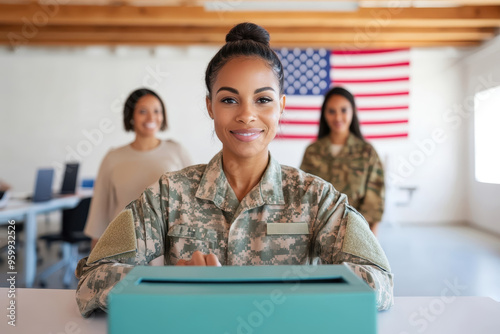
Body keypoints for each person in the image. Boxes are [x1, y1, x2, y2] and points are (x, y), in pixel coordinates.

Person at [75, 23, 393, 317]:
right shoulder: (169, 194)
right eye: (229, 100)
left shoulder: (317, 198)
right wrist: (168, 282)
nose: (247, 115)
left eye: (263, 100)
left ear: (282, 105)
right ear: (210, 105)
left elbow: (378, 281)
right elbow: (92, 278)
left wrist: (298, 287)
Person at [83, 88, 191, 248]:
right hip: (123, 247)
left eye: (156, 111)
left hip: (169, 246)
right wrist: (95, 260)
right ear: (131, 116)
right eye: (142, 111)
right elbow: (99, 208)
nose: (151, 117)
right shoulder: (113, 157)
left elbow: (193, 202)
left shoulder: (176, 151)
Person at [300, 87, 385, 236]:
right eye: (331, 111)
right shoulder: (313, 151)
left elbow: (375, 199)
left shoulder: (367, 152)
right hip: (317, 232)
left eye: (344, 110)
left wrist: (371, 237)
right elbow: (302, 192)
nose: (338, 117)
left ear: (353, 111)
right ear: (324, 114)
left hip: (355, 232)